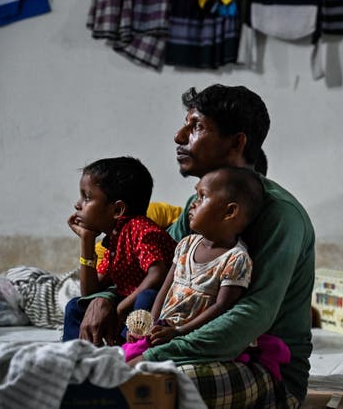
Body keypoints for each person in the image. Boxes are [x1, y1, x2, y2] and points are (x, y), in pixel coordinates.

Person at [74, 84, 315, 408]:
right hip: (179, 345)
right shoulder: (198, 205)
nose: (178, 136)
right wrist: (105, 297)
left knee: (135, 387)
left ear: (237, 142)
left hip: (263, 368)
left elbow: (250, 316)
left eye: (196, 126)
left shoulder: (281, 217)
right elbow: (157, 265)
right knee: (81, 352)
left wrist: (150, 354)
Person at [122, 167, 264, 360]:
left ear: (229, 211)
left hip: (193, 335)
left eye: (201, 197)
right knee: (127, 352)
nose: (192, 204)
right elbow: (165, 288)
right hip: (165, 327)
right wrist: (150, 326)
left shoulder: (235, 259)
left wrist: (179, 332)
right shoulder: (187, 244)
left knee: (134, 364)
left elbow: (221, 307)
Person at [62, 157, 177, 345]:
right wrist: (87, 240)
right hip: (129, 301)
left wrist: (121, 307)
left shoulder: (140, 229)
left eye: (87, 197)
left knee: (146, 298)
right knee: (75, 306)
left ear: (117, 209)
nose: (78, 204)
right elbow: (89, 292)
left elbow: (157, 275)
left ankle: (129, 350)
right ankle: (76, 356)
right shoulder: (114, 238)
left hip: (162, 302)